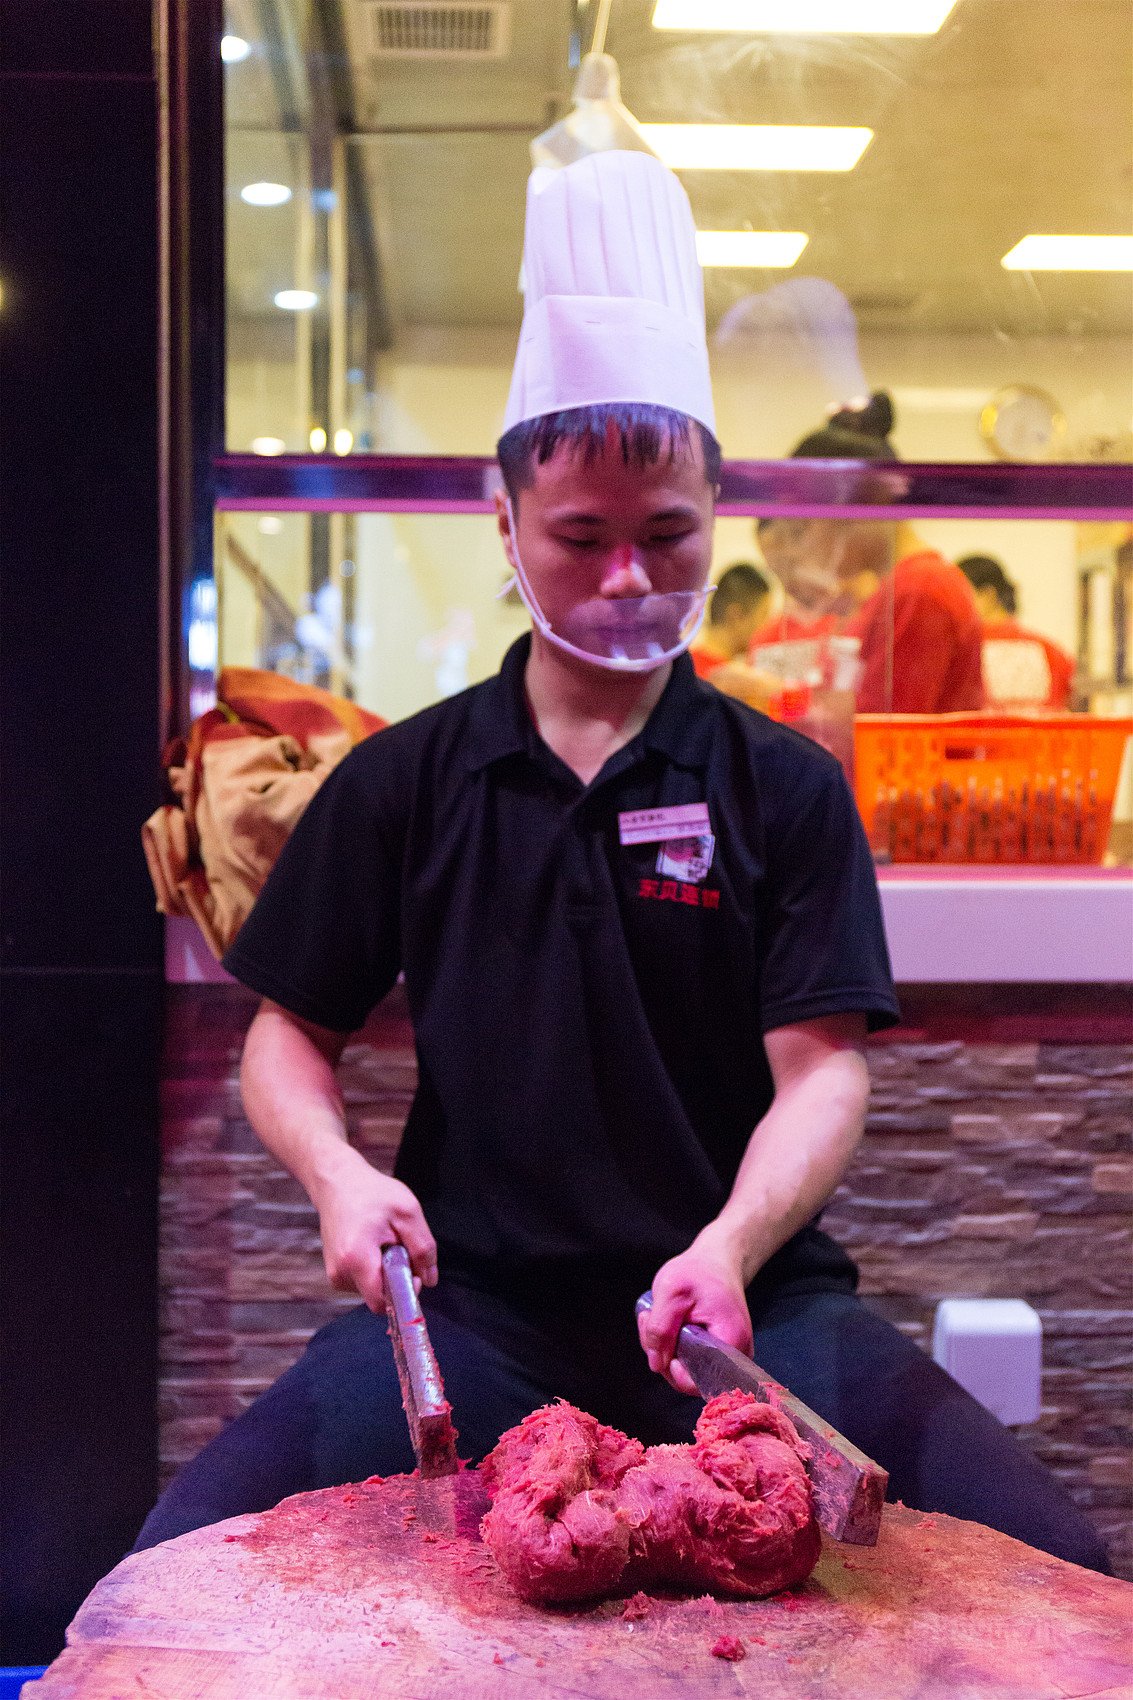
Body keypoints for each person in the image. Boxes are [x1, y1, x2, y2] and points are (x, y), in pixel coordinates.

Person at [132, 153, 1106, 1575]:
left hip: (755, 1308)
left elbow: (823, 1069)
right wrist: (341, 1182)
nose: (629, 580)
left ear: (719, 515)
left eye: (669, 538)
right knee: (178, 1552)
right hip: (476, 1314)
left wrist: (729, 1249)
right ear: (507, 524)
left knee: (1055, 1562)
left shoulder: (781, 785)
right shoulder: (408, 779)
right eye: (582, 540)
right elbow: (287, 1038)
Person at [760, 395, 986, 714]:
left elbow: (877, 731)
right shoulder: (898, 589)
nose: (809, 544)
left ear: (865, 502)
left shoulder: (918, 590)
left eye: (807, 525)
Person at [958, 554, 1075, 710]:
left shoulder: (961, 651)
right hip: (1038, 734)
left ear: (987, 595)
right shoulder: (1050, 651)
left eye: (959, 594)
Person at [688, 561, 773, 679]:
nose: (768, 626)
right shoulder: (732, 685)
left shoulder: (683, 668)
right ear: (736, 616)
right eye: (763, 616)